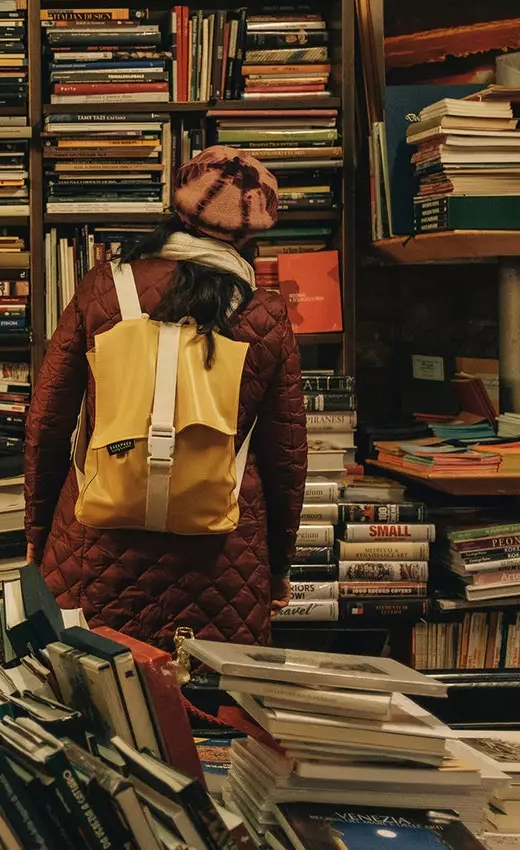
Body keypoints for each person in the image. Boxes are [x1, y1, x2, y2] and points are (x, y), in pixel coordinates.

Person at [23, 146, 308, 648]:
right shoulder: (266, 314)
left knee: (93, 700)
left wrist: (38, 531)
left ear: (177, 210)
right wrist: (279, 564)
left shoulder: (102, 291)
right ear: (252, 235)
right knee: (213, 709)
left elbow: (47, 421)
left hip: (94, 544)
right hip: (224, 555)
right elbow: (286, 458)